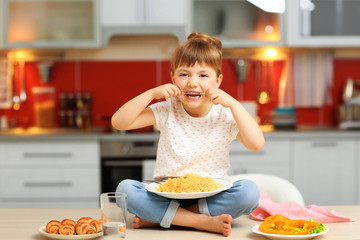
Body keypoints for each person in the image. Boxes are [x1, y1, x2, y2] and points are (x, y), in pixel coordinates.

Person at [112, 32, 265, 237]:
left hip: (212, 195)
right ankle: (198, 221)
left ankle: (164, 218)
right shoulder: (168, 109)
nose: (193, 83)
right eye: (184, 75)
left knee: (249, 192)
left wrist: (234, 104)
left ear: (218, 80)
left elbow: (256, 144)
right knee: (126, 189)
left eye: (203, 75)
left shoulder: (226, 114)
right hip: (166, 193)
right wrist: (151, 94)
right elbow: (119, 122)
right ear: (172, 77)